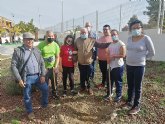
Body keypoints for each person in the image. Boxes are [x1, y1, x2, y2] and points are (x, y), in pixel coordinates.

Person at [11, 32, 48, 120]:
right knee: (27, 95)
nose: (30, 41)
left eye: (31, 39)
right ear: (23, 40)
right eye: (27, 39)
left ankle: (44, 104)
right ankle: (30, 112)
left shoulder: (37, 50)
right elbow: (13, 66)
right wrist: (19, 79)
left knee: (45, 89)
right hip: (26, 77)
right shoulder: (18, 51)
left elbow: (42, 63)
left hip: (38, 76)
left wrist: (43, 75)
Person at [123, 20, 155, 114]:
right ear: (130, 29)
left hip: (139, 66)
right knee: (130, 85)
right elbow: (128, 50)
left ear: (141, 28)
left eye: (138, 28)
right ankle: (129, 102)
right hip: (129, 65)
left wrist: (143, 59)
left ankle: (136, 106)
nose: (136, 29)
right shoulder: (129, 38)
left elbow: (152, 52)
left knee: (137, 86)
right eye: (133, 28)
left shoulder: (146, 38)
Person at [104, 29, 126, 102]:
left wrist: (114, 56)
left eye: (115, 34)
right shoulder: (110, 44)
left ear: (118, 35)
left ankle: (118, 95)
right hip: (110, 66)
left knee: (118, 81)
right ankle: (109, 93)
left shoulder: (121, 44)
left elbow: (123, 55)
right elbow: (108, 53)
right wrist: (108, 56)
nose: (113, 36)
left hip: (118, 66)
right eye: (112, 35)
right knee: (110, 81)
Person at [38, 30, 60, 99]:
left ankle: (54, 93)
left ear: (54, 36)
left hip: (53, 68)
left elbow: (57, 57)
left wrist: (56, 67)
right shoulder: (41, 45)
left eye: (52, 36)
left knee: (54, 82)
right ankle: (44, 95)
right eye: (49, 36)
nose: (50, 37)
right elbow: (38, 57)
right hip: (44, 69)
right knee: (44, 83)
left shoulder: (55, 45)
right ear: (46, 36)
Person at [96, 25, 113, 89]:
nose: (105, 31)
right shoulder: (100, 38)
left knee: (108, 73)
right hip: (101, 59)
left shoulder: (112, 38)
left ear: (109, 30)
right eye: (104, 29)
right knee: (103, 72)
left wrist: (101, 45)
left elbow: (101, 45)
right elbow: (97, 45)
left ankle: (110, 85)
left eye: (106, 29)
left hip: (108, 59)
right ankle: (103, 83)